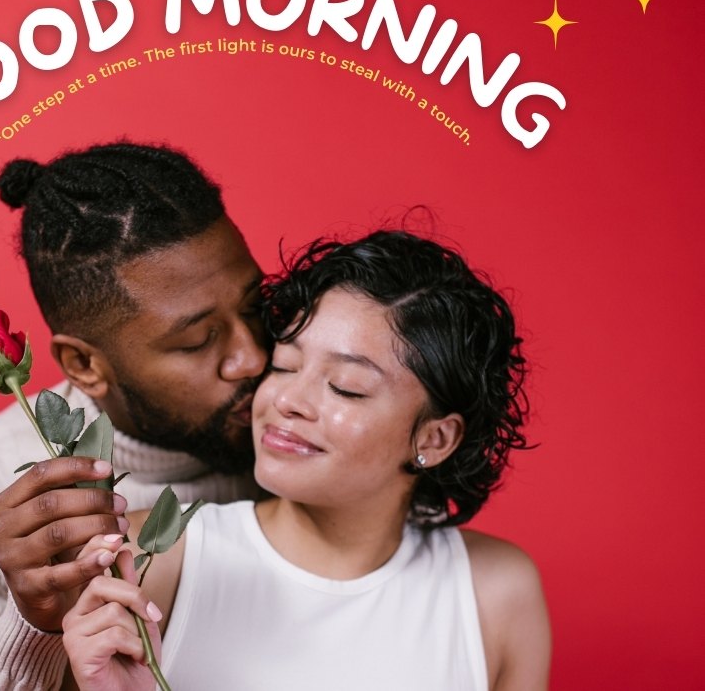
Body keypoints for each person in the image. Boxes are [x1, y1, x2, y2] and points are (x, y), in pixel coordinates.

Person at [63, 230, 551, 691]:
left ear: (436, 437)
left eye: (346, 387)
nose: (287, 399)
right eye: (284, 365)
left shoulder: (497, 593)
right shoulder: (152, 558)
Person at [0, 143, 268, 690]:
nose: (252, 358)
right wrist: (35, 624)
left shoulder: (301, 427)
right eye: (197, 339)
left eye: (256, 306)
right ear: (85, 365)